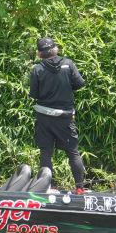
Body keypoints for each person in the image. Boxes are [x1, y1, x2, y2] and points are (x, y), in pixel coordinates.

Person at [29, 36, 87, 194]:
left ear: (39, 53)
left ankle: (50, 187)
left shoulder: (37, 69)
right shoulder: (68, 64)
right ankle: (79, 188)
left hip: (44, 117)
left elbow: (34, 94)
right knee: (73, 152)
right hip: (65, 117)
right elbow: (80, 84)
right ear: (56, 49)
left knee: (46, 152)